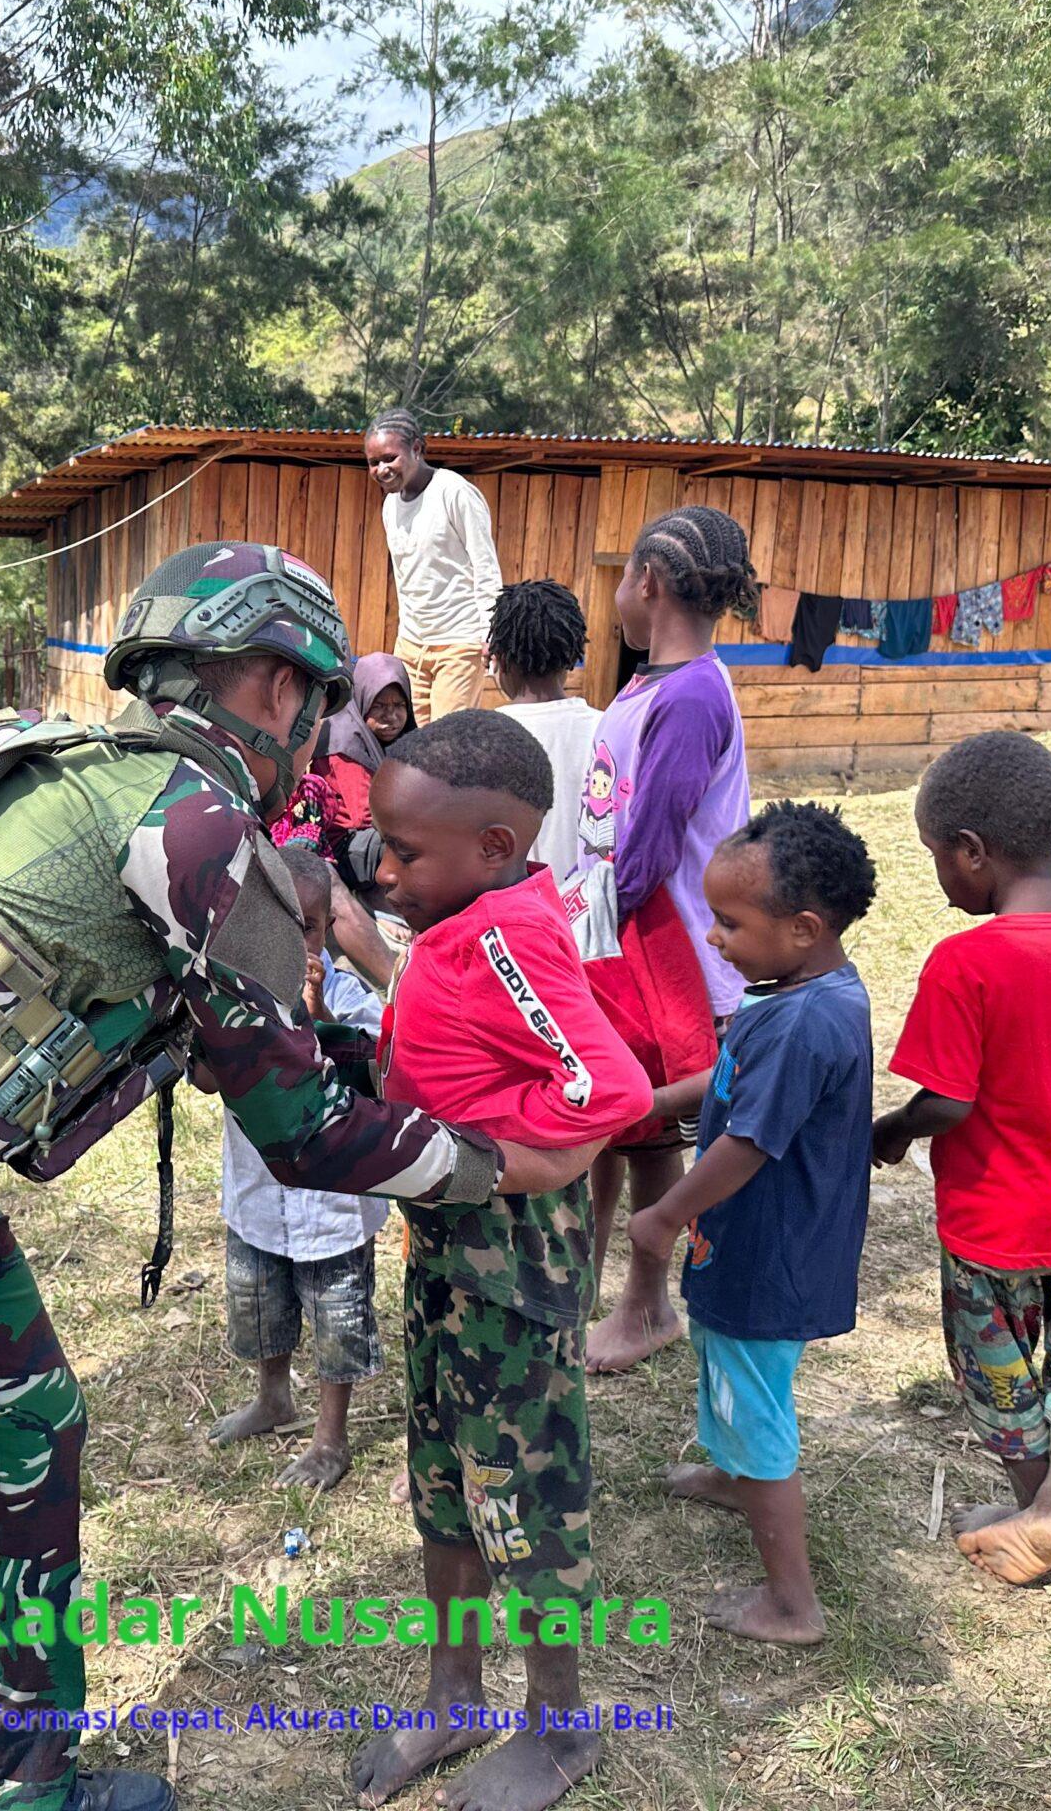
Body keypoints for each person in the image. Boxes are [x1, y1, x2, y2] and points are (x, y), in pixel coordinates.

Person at [0, 544, 592, 1811]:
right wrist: (489, 1162)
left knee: (22, 1428)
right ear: (278, 686)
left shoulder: (71, 760)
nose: (316, 743)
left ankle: (12, 1782)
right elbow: (307, 1132)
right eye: (318, 705)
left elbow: (236, 1046)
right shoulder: (197, 822)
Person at [346, 709, 652, 1811]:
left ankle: (561, 1728)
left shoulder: (508, 937)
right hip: (445, 1249)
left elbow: (607, 1089)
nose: (384, 871)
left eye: (404, 852)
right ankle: (455, 1694)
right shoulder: (460, 922)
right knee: (445, 1477)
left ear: (493, 847)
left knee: (525, 1493)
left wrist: (502, 1155)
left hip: (507, 1263)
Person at [873, 731, 1051, 1587]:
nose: (940, 874)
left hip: (992, 1223)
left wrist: (894, 1128)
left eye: (936, 856)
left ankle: (1035, 1508)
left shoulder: (966, 963)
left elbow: (949, 1102)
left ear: (972, 852)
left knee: (997, 1371)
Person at [629, 802, 877, 1646]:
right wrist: (659, 1099)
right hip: (757, 1244)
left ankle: (792, 1604)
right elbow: (733, 1078)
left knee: (754, 1403)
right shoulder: (796, 991)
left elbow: (747, 1141)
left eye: (730, 924)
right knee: (733, 1374)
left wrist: (665, 1213)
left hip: (769, 1255)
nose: (713, 938)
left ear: (803, 928)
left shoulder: (804, 1022)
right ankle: (738, 1478)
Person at [575, 505, 757, 1375]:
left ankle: (646, 1306)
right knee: (629, 1122)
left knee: (650, 1129)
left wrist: (579, 918)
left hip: (664, 947)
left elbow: (645, 848)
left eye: (622, 578)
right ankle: (614, 1288)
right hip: (627, 936)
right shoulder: (656, 684)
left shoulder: (690, 698)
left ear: (647, 581)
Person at [209, 844, 390, 1490]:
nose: (292, 941)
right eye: (274, 924)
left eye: (308, 927)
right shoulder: (230, 995)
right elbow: (205, 1076)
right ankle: (273, 1397)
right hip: (257, 1192)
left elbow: (367, 1070)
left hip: (332, 1203)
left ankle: (330, 1436)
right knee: (258, 1302)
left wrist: (314, 1016)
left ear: (328, 931)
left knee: (338, 1317)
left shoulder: (346, 993)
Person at [365, 410, 500, 724]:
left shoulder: (454, 493)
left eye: (390, 458)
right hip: (411, 647)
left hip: (459, 644)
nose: (382, 469)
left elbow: (486, 567)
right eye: (374, 462)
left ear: (416, 449)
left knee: (446, 742)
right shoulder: (390, 505)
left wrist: (492, 632)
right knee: (412, 742)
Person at [484, 580, 599, 871]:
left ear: (501, 658)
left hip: (516, 898)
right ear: (572, 654)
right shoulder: (607, 727)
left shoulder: (484, 737)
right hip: (592, 895)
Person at [300, 651, 415, 887]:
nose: (391, 716)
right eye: (379, 706)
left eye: (399, 705)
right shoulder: (345, 744)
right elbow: (362, 817)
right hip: (345, 847)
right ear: (362, 699)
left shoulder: (390, 739)